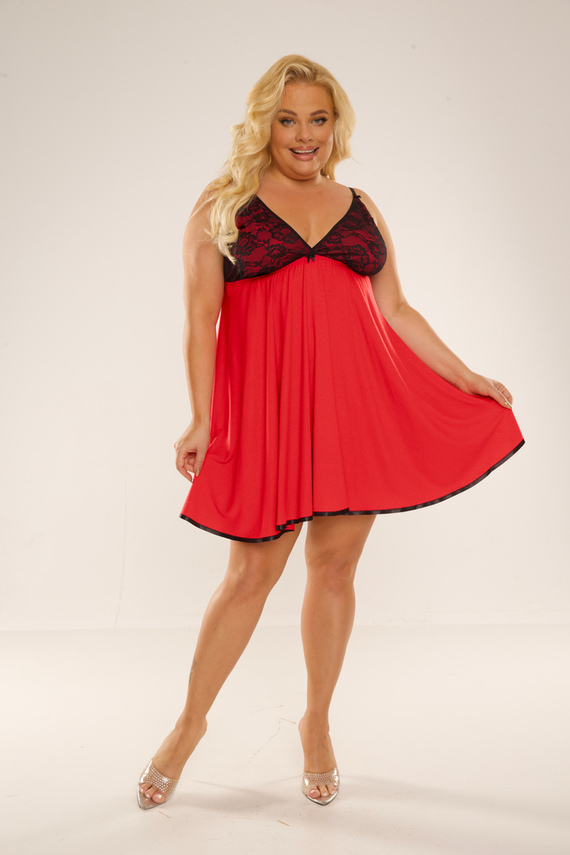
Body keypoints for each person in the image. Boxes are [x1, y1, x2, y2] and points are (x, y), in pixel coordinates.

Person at [137, 55, 524, 810]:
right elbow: (200, 319)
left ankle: (316, 723)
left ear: (335, 124)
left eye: (318, 118)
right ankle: (188, 726)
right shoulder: (224, 203)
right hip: (269, 415)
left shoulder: (360, 205)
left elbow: (397, 310)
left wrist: (467, 374)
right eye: (288, 119)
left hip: (354, 412)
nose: (304, 134)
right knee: (249, 576)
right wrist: (202, 417)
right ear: (264, 124)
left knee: (337, 569)